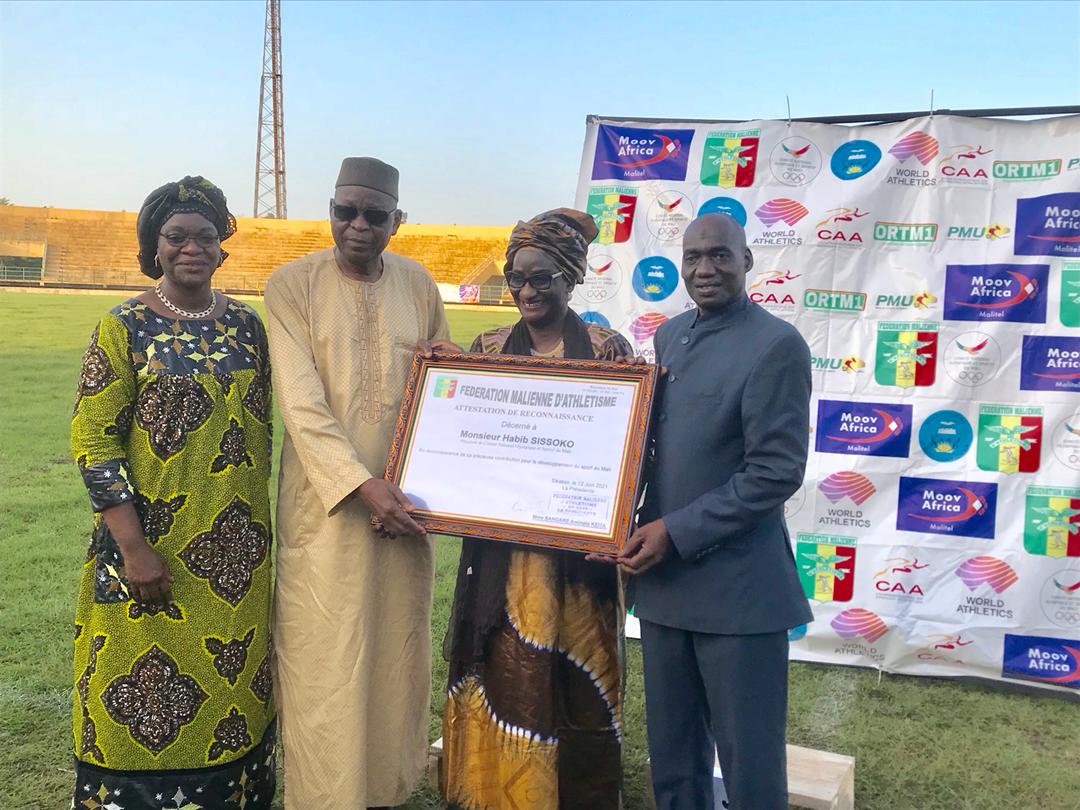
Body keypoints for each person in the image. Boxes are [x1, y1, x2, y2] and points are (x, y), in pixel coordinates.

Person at [69, 177, 276, 809]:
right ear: (153, 246)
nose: (192, 248)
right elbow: (94, 441)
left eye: (205, 237)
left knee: (234, 693)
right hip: (148, 550)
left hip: (236, 561)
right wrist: (134, 550)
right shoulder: (123, 326)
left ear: (221, 247)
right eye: (176, 237)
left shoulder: (248, 327)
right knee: (140, 694)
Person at [265, 157, 454, 809]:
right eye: (345, 211)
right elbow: (301, 402)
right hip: (327, 511)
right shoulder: (292, 285)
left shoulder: (418, 284)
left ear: (396, 222)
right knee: (325, 659)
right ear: (330, 211)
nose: (357, 225)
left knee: (394, 655)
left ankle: (382, 791)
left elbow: (442, 387)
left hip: (406, 509)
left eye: (374, 215)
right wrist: (359, 485)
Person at [618, 213, 813, 810]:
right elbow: (659, 449)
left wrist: (674, 531)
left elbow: (774, 473)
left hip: (738, 593)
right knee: (674, 758)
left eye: (720, 255)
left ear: (746, 261)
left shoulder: (777, 344)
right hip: (665, 586)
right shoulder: (670, 336)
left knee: (750, 766)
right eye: (693, 257)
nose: (705, 269)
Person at [441, 208, 631, 810]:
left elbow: (629, 447)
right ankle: (494, 792)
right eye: (516, 277)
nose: (527, 290)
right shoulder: (487, 346)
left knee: (577, 666)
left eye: (542, 277)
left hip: (577, 555)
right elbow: (466, 437)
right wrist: (444, 379)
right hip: (500, 549)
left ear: (570, 278)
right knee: (502, 665)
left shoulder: (606, 349)